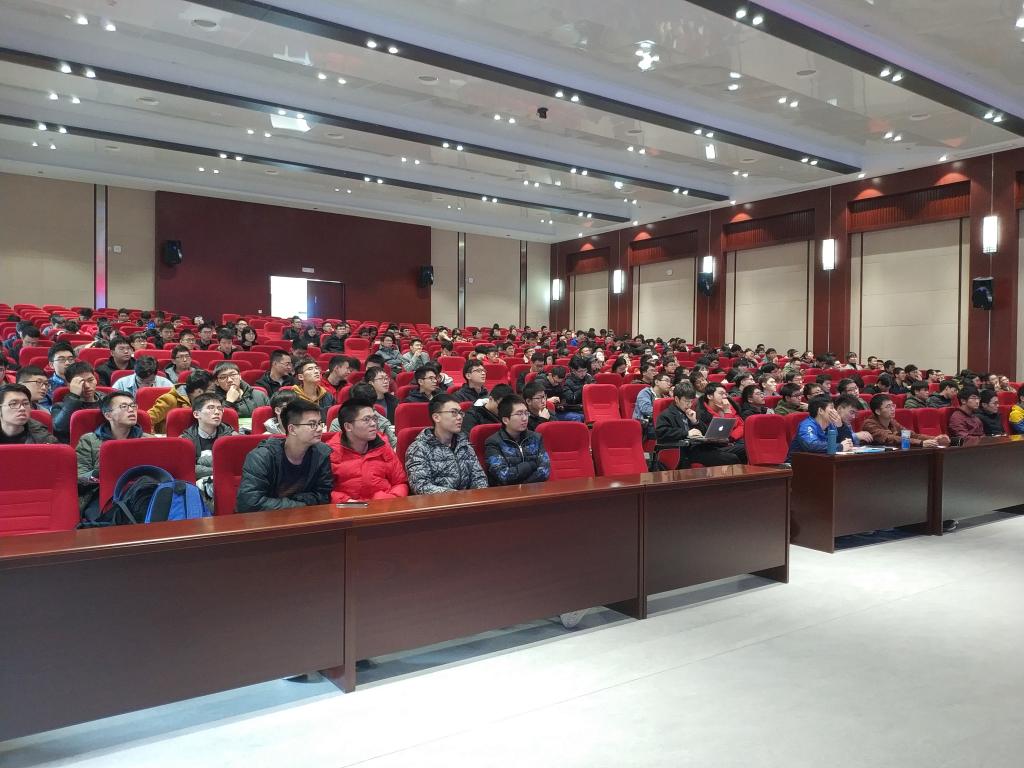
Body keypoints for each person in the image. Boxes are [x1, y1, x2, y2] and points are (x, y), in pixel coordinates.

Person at [236, 400, 333, 512]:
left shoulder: (321, 454)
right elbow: (249, 503)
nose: (320, 429)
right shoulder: (261, 457)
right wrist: (299, 504)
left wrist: (295, 501)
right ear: (292, 429)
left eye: (320, 423)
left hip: (306, 518)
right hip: (266, 520)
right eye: (312, 424)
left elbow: (324, 497)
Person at [76, 392, 152, 514]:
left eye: (133, 406)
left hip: (140, 493)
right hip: (101, 494)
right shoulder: (89, 440)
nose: (131, 410)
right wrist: (100, 472)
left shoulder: (149, 441)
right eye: (124, 406)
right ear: (108, 415)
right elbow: (80, 477)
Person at [324, 399, 408, 502]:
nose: (373, 424)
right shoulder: (330, 452)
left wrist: (387, 500)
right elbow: (323, 490)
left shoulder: (383, 446)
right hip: (346, 509)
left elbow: (400, 483)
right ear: (348, 426)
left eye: (374, 418)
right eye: (366, 419)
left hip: (384, 506)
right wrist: (345, 501)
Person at [405, 394, 489, 494]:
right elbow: (421, 486)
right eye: (454, 412)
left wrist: (477, 496)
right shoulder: (418, 449)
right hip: (438, 502)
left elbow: (479, 477)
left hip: (468, 500)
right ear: (436, 417)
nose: (459, 417)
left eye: (460, 413)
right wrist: (458, 496)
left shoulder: (464, 444)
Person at [655, 382, 738, 467]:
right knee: (731, 458)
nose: (689, 405)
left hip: (701, 447)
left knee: (739, 453)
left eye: (691, 401)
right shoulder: (666, 415)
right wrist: (686, 433)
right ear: (676, 399)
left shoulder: (690, 413)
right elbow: (662, 432)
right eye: (686, 401)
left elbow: (706, 432)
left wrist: (695, 422)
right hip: (685, 451)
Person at [180, 392, 237, 500]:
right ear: (196, 414)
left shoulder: (232, 437)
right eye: (210, 408)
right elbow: (188, 469)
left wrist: (199, 461)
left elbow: (235, 466)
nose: (217, 412)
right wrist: (220, 469)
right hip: (195, 489)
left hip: (226, 485)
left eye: (220, 408)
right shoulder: (185, 440)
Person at [483, 395, 550, 486]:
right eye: (519, 414)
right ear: (505, 420)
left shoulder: (536, 438)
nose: (525, 418)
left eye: (526, 413)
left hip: (534, 490)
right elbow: (504, 476)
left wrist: (524, 486)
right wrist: (531, 465)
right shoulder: (493, 442)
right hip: (507, 493)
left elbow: (544, 471)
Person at [862, 394, 949, 448]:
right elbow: (890, 438)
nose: (892, 409)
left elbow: (911, 434)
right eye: (888, 407)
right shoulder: (869, 424)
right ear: (878, 411)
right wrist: (921, 443)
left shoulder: (892, 421)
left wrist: (933, 439)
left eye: (893, 406)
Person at [329, 382, 397, 448]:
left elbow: (394, 446)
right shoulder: (338, 424)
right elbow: (335, 448)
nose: (373, 423)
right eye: (366, 419)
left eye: (371, 406)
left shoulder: (382, 422)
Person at [148, 370, 213, 434]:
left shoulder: (208, 403)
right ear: (199, 391)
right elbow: (147, 420)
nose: (214, 393)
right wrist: (154, 437)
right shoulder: (170, 400)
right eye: (211, 390)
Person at [51, 361, 101, 443]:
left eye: (90, 380)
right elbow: (59, 428)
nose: (87, 386)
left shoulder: (108, 400)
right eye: (81, 382)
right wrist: (74, 396)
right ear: (69, 385)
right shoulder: (59, 406)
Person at [791, 396, 855, 455]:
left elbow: (848, 442)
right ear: (820, 411)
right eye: (832, 408)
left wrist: (840, 426)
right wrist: (840, 447)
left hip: (824, 460)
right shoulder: (807, 425)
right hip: (798, 462)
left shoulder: (832, 425)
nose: (835, 411)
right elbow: (811, 445)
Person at [633, 372, 672, 439]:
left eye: (670, 382)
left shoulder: (665, 397)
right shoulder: (645, 392)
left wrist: (672, 397)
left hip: (660, 424)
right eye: (666, 381)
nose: (669, 384)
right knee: (671, 432)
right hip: (646, 426)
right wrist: (664, 415)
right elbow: (646, 409)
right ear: (657, 382)